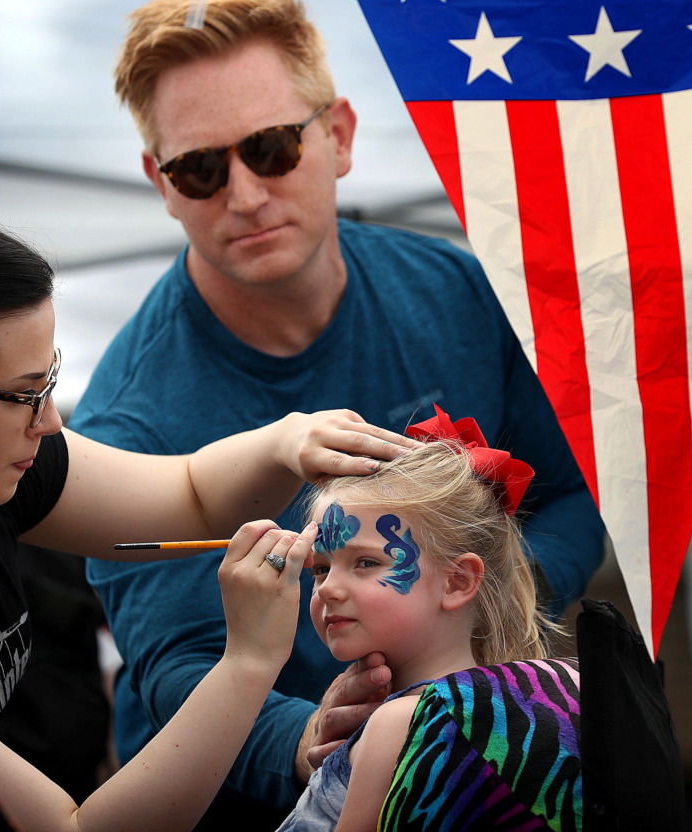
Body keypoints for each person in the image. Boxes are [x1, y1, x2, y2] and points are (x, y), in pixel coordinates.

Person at [73, 0, 605, 824]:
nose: (245, 195)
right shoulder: (128, 420)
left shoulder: (456, 293)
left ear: (341, 135)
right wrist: (311, 737)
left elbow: (572, 495)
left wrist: (478, 600)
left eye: (273, 148)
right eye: (200, 171)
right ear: (161, 183)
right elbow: (172, 661)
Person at [0, 214, 410, 829]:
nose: (50, 422)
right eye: (24, 393)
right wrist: (248, 660)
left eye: (52, 384)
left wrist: (287, 440)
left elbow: (191, 492)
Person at [278, 406, 582, 831]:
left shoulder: (397, 725)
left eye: (365, 562)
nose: (328, 588)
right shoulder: (526, 705)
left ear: (458, 581)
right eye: (320, 568)